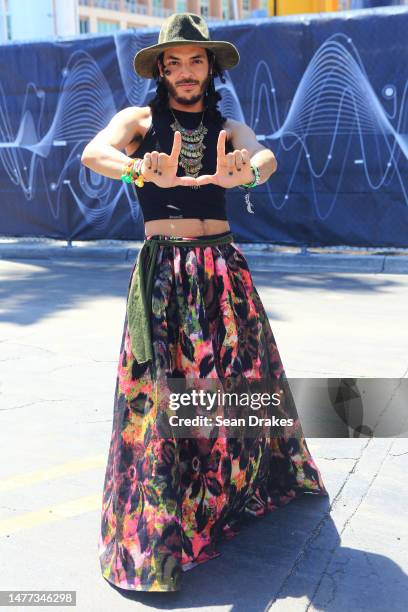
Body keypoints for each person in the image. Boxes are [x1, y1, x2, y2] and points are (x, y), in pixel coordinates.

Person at [81, 12, 328, 593]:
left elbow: (263, 157)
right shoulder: (139, 120)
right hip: (164, 271)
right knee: (163, 395)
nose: (186, 71)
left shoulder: (228, 126)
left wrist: (247, 173)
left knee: (234, 387)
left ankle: (225, 499)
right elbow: (94, 153)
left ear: (209, 68)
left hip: (221, 267)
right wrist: (137, 167)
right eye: (176, 62)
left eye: (197, 61)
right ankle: (164, 525)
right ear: (162, 69)